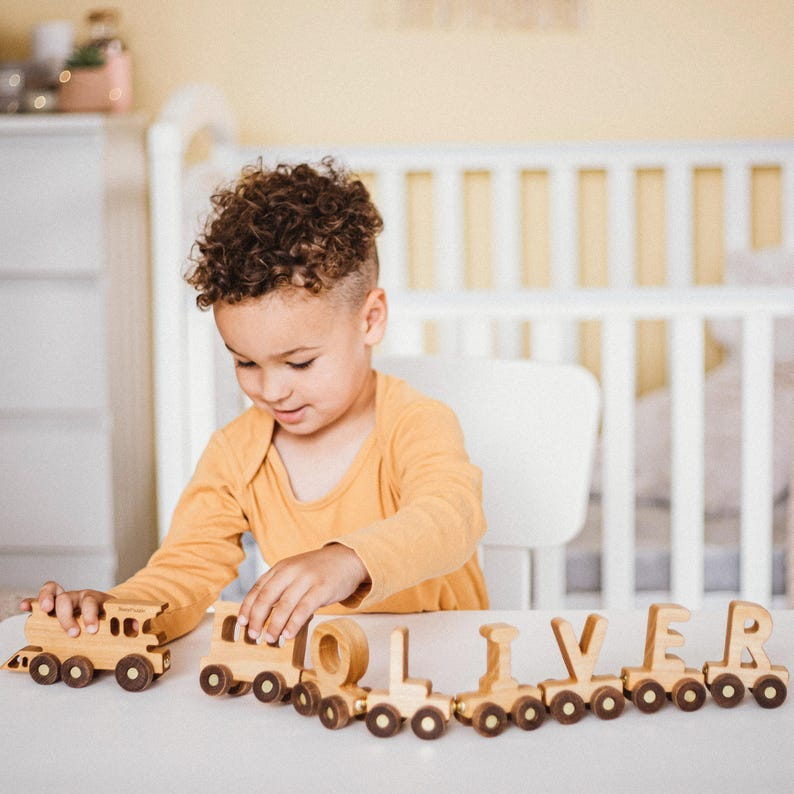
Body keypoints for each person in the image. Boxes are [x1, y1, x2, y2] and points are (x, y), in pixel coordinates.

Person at [22, 158, 488, 645]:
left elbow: (450, 518)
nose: (271, 390)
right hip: (324, 676)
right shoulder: (236, 453)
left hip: (447, 663)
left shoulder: (415, 423)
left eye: (300, 363)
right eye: (245, 362)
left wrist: (348, 560)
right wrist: (117, 610)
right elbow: (185, 568)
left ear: (370, 320)